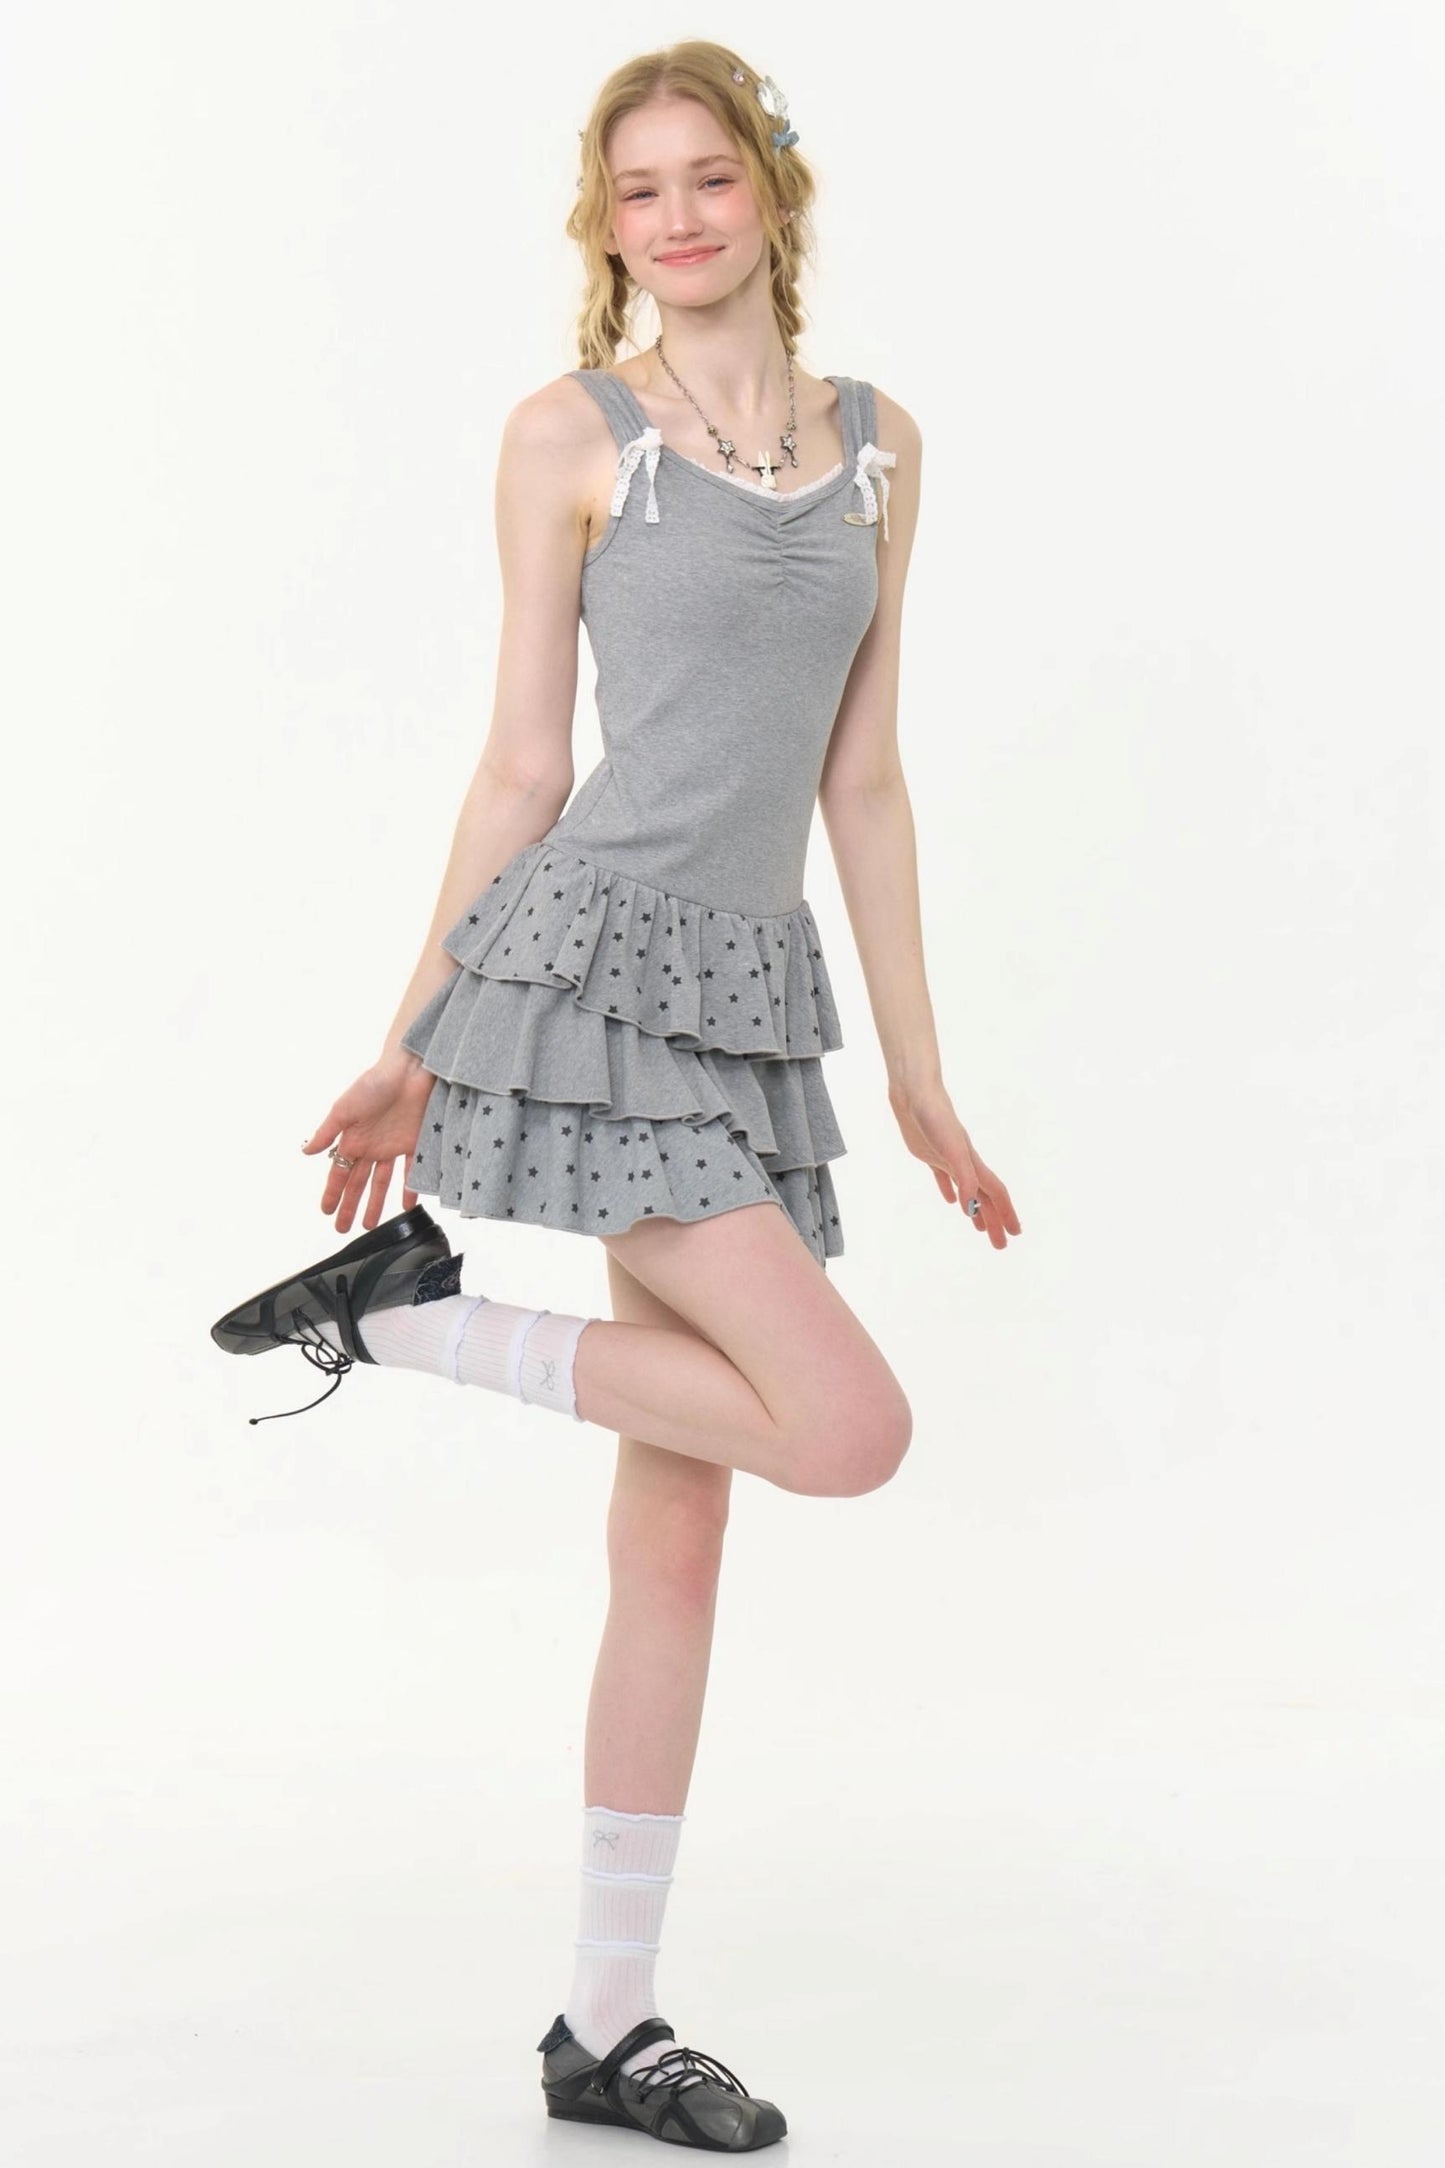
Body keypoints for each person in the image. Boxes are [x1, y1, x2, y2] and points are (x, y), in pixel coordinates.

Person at [212, 39, 1021, 2153]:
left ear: (772, 193)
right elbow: (521, 765)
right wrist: (415, 1028)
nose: (673, 220)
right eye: (635, 191)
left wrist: (918, 1069)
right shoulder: (572, 438)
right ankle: (405, 1324)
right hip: (590, 974)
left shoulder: (881, 449)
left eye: (706, 180)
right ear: (605, 226)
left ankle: (607, 2023)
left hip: (751, 1000)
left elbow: (863, 776)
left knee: (678, 1522)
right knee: (845, 1425)